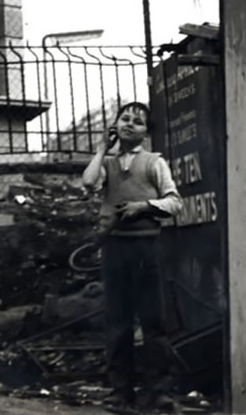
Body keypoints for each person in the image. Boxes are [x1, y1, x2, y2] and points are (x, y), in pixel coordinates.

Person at [82, 102, 183, 413]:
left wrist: (144, 206)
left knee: (153, 322)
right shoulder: (108, 165)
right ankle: (120, 393)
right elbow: (88, 182)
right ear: (115, 125)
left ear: (146, 132)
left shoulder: (154, 162)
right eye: (124, 119)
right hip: (115, 248)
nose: (129, 124)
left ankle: (159, 394)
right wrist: (102, 148)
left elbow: (174, 202)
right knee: (118, 323)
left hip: (146, 248)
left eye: (137, 122)